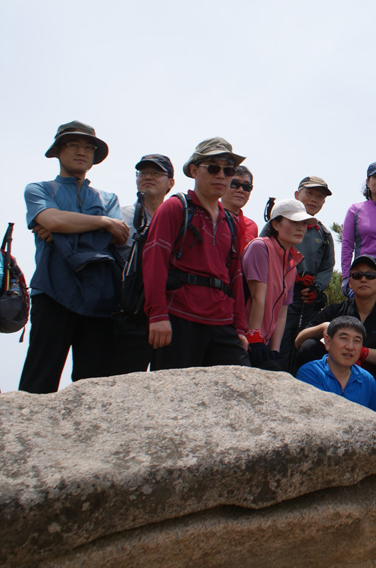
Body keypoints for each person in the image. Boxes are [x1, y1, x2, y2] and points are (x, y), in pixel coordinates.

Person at [19, 121, 128, 392]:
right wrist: (101, 223)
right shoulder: (39, 189)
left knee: (93, 390)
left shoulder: (108, 198)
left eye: (88, 147)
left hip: (99, 298)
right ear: (58, 151)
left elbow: (120, 235)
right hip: (53, 291)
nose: (82, 152)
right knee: (38, 384)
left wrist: (61, 228)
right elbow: (52, 219)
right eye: (73, 145)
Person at [142, 137, 250, 370]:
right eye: (213, 168)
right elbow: (154, 261)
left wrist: (240, 329)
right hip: (179, 317)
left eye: (228, 169)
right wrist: (158, 315)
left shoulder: (231, 222)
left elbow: (236, 277)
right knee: (174, 400)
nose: (221, 175)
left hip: (222, 323)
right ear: (194, 170)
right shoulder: (175, 207)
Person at [295, 254, 376, 420]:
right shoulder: (336, 311)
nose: (363, 279)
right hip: (332, 377)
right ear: (350, 282)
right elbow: (299, 340)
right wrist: (323, 327)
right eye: (357, 275)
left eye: (370, 275)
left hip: (373, 378)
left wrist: (359, 352)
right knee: (309, 346)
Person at [110, 153, 176, 375]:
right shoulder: (121, 216)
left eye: (157, 173)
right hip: (130, 311)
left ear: (171, 183)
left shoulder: (180, 219)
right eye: (143, 172)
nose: (148, 177)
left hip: (168, 311)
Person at [264, 177, 336, 372]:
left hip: (308, 301)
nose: (314, 199)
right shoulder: (277, 222)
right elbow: (266, 251)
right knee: (276, 343)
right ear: (297, 195)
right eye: (309, 193)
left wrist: (316, 288)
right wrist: (292, 276)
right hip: (278, 296)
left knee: (303, 345)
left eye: (319, 196)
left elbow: (327, 266)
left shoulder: (324, 234)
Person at [243, 199, 314, 371]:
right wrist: (254, 334)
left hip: (263, 343)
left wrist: (274, 349)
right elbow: (256, 296)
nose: (301, 228)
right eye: (294, 222)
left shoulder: (292, 262)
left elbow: (283, 311)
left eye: (304, 223)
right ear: (275, 224)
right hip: (243, 338)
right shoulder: (260, 247)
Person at [296, 316, 376, 416]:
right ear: (328, 342)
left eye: (357, 341)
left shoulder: (366, 379)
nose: (350, 347)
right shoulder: (311, 373)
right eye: (344, 338)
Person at [221, 165, 257, 253]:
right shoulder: (209, 217)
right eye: (234, 184)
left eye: (246, 186)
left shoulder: (252, 227)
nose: (241, 190)